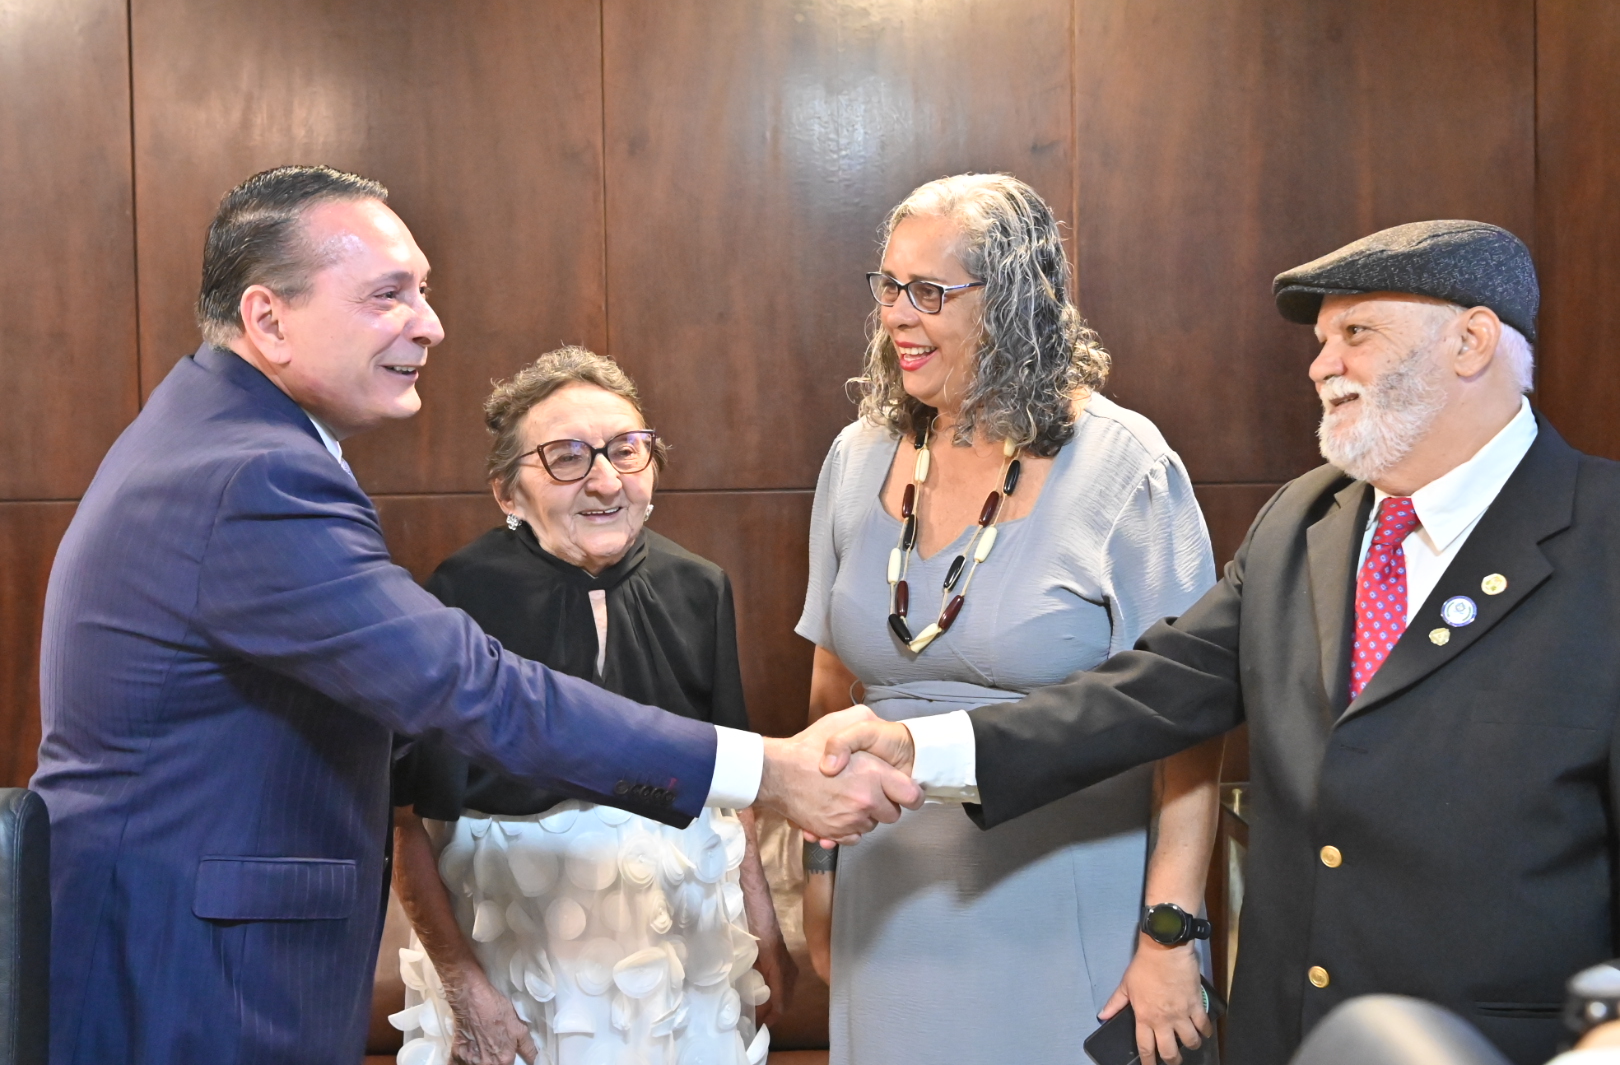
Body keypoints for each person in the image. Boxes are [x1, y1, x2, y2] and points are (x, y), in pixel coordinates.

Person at [29, 165, 911, 1065]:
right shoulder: (255, 473)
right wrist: (766, 769)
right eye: (388, 294)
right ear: (269, 319)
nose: (430, 324)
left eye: (423, 290)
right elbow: (473, 691)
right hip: (184, 969)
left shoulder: (211, 435)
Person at [824, 220, 1619, 1065]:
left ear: (1472, 342)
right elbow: (1149, 695)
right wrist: (920, 749)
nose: (1322, 366)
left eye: (1356, 334)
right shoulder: (1304, 520)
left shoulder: (1602, 542)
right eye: (1320, 342)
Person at [796, 173, 1225, 1065]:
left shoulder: (1127, 466)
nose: (896, 316)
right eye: (888, 286)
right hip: (890, 905)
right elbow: (831, 691)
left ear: (1014, 301)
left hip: (1067, 908)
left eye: (929, 292)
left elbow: (1192, 729)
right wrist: (820, 876)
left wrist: (1171, 931)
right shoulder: (857, 456)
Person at [390, 347, 796, 1065]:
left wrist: (763, 927)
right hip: (514, 944)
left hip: (680, 947)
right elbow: (403, 818)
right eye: (567, 457)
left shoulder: (700, 587)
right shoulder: (457, 597)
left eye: (626, 450)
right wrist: (462, 984)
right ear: (507, 493)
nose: (606, 481)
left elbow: (732, 787)